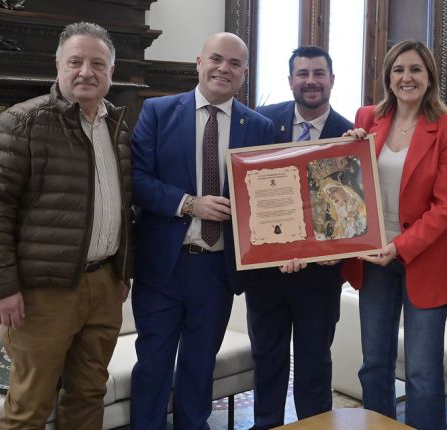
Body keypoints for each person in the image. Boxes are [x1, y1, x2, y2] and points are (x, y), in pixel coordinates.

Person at [0, 22, 132, 429]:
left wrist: (122, 273)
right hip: (42, 293)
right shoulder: (21, 123)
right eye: (75, 61)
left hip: (104, 285)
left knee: (88, 395)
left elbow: (125, 206)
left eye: (98, 63)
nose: (86, 72)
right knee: (30, 406)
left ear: (111, 71)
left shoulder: (118, 127)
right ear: (57, 65)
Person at [130, 32, 273, 429]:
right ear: (198, 62)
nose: (223, 69)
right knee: (154, 366)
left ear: (244, 73)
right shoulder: (158, 112)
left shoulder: (258, 127)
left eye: (234, 64)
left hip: (216, 272)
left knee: (199, 368)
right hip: (163, 267)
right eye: (216, 59)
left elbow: (270, 195)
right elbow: (137, 180)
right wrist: (190, 204)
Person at [342, 40, 447, 430]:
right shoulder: (367, 117)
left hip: (424, 259)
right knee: (374, 363)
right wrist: (347, 154)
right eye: (398, 70)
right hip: (373, 259)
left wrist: (398, 247)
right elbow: (350, 183)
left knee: (422, 371)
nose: (406, 77)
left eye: (415, 69)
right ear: (388, 76)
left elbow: (446, 207)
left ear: (429, 77)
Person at [245, 46, 352, 429]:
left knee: (313, 365)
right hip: (266, 271)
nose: (310, 81)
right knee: (268, 360)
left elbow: (353, 212)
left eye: (318, 73)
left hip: (320, 276)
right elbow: (245, 194)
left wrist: (334, 252)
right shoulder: (259, 123)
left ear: (332, 80)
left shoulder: (350, 137)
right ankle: (266, 425)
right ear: (290, 80)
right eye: (302, 73)